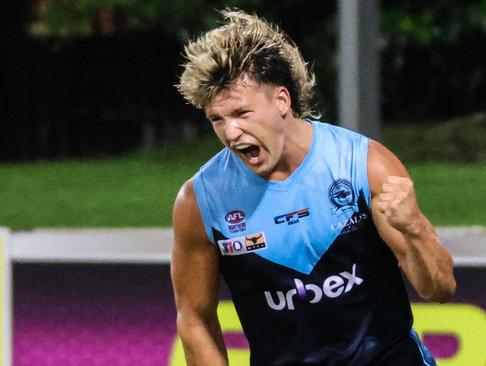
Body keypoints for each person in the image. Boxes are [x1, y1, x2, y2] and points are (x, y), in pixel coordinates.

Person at [171, 9, 456, 366]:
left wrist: (413, 228)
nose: (230, 133)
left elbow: (440, 288)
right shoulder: (201, 202)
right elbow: (195, 318)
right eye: (217, 119)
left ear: (282, 101)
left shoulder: (363, 166)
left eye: (241, 114)